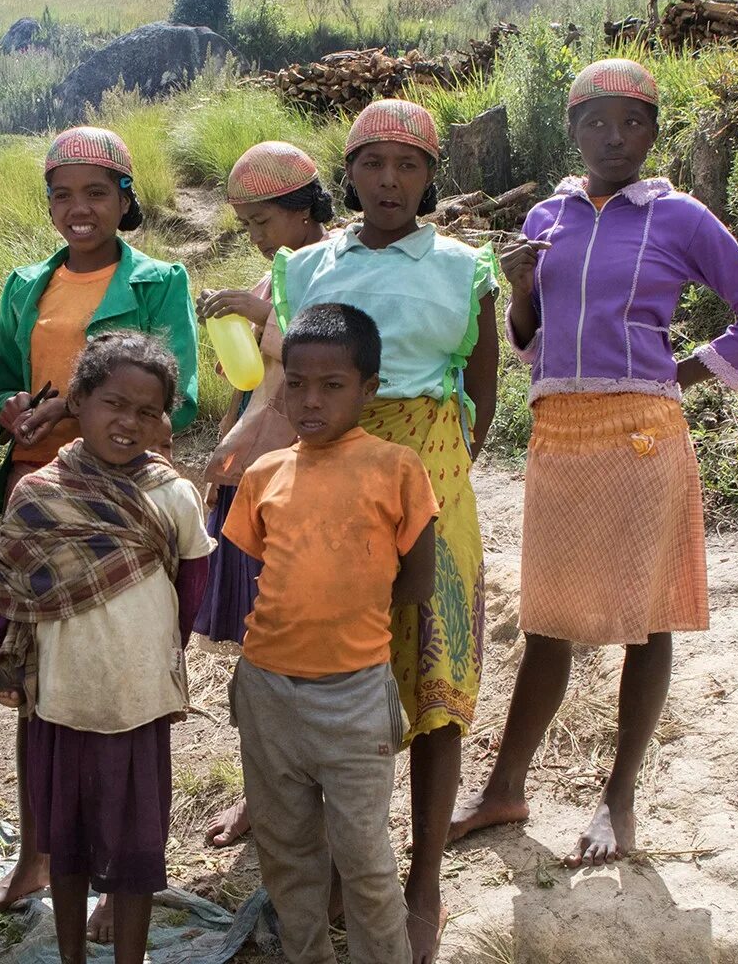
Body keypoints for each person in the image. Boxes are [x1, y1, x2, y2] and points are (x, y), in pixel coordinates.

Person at [449, 59, 738, 867]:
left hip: (642, 432)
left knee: (649, 617)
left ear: (651, 132)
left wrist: (681, 372)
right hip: (558, 433)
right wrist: (522, 289)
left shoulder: (681, 218)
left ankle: (619, 798)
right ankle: (506, 787)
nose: (614, 137)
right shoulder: (547, 215)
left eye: (632, 121)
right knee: (547, 621)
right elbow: (531, 341)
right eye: (597, 122)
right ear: (571, 131)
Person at [284, 98, 500, 964]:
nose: (389, 180)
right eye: (372, 163)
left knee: (434, 669)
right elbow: (286, 382)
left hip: (435, 472)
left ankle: (424, 883)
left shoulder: (463, 266)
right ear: (349, 173)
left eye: (407, 165)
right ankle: (345, 862)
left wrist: (446, 463)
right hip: (331, 472)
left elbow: (482, 388)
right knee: (340, 671)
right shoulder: (303, 266)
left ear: (429, 176)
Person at [0, 125, 199, 931]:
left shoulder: (160, 280)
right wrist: (11, 411)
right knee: (44, 684)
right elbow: (4, 380)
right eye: (62, 193)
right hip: (40, 499)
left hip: (127, 506)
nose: (79, 209)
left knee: (121, 682)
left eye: (97, 192)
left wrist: (73, 407)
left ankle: (118, 869)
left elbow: (181, 395)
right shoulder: (28, 284)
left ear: (126, 200)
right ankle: (43, 853)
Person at [0, 330, 214, 964]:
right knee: (67, 844)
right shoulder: (37, 494)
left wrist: (160, 655)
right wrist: (1, 667)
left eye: (148, 412)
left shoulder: (172, 495)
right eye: (114, 403)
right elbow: (10, 595)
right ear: (80, 403)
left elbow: (190, 591)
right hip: (62, 695)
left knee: (137, 848)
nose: (129, 422)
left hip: (139, 696)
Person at [223, 303, 437, 964]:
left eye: (332, 385)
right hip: (266, 690)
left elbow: (417, 582)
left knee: (366, 861)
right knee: (287, 855)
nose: (309, 400)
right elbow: (267, 573)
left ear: (368, 390)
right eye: (296, 382)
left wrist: (353, 628)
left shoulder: (396, 469)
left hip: (354, 697)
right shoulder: (263, 475)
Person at [193, 140, 333, 848]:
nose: (256, 238)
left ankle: (304, 797)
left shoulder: (333, 269)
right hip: (254, 473)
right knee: (258, 652)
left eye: (263, 222)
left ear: (305, 211)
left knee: (301, 652)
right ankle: (263, 793)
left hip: (303, 484)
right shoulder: (276, 271)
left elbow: (321, 359)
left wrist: (260, 308)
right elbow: (253, 384)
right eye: (246, 226)